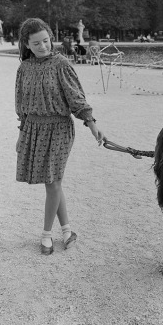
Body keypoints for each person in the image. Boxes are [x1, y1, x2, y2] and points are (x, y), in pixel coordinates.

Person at [15, 18, 106, 255]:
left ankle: (46, 234)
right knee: (52, 182)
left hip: (59, 129)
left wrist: (91, 122)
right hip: (33, 129)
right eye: (36, 43)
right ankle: (67, 230)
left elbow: (76, 98)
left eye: (46, 41)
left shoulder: (61, 64)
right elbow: (22, 105)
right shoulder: (24, 68)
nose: (43, 46)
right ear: (26, 44)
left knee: (53, 181)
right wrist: (21, 133)